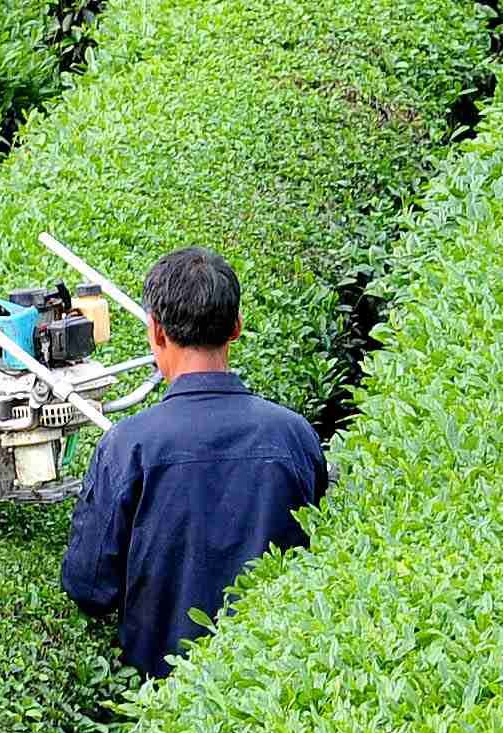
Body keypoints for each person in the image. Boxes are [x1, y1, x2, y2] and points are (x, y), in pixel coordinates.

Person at [60, 247, 328, 679]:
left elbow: (89, 588)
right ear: (236, 327)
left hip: (166, 705)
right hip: (284, 685)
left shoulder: (127, 447)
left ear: (157, 332)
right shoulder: (294, 435)